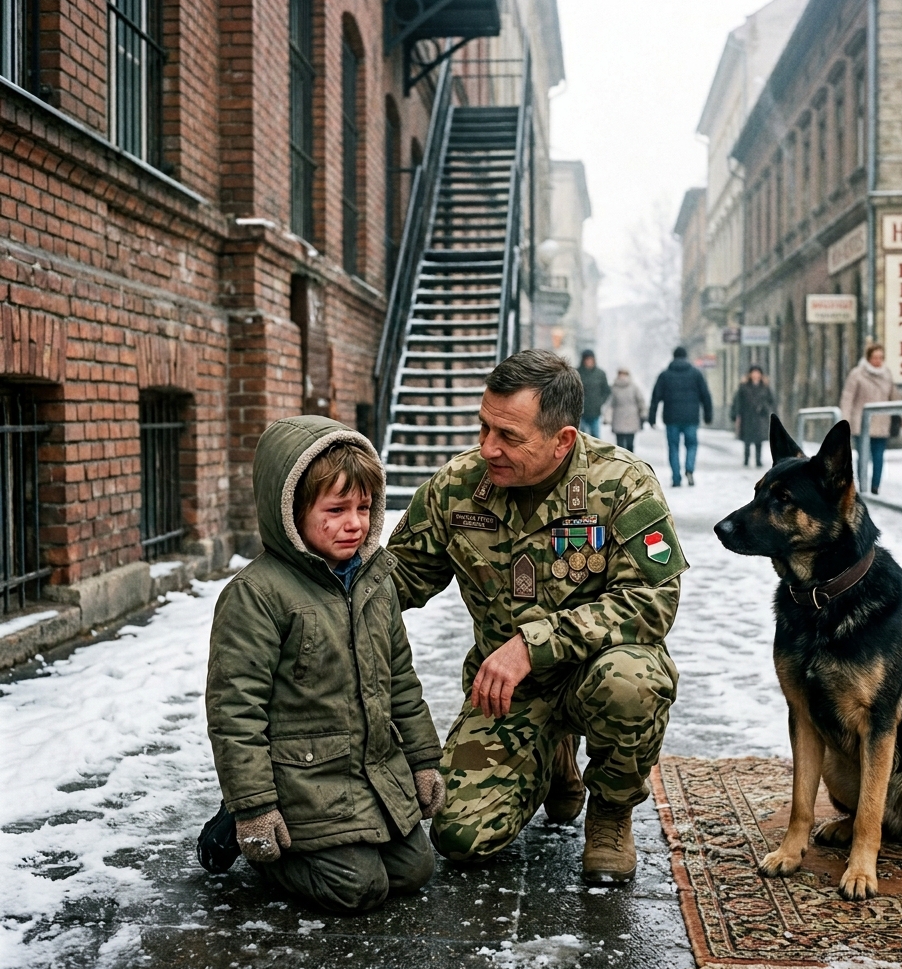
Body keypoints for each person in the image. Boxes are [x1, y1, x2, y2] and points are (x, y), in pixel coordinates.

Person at [387, 349, 684, 884]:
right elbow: (399, 579)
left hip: (596, 673)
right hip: (507, 694)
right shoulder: (457, 486)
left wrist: (533, 644)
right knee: (458, 838)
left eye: (508, 436)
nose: (487, 447)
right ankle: (553, 758)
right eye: (483, 427)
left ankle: (611, 812)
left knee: (633, 682)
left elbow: (653, 600)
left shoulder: (620, 484)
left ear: (562, 440)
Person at [201, 416, 444, 912]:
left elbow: (401, 680)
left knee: (416, 869)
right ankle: (261, 846)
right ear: (291, 510)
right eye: (335, 509)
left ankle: (345, 841)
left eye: (363, 507)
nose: (354, 523)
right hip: (302, 781)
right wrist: (254, 808)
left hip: (370, 773)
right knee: (356, 888)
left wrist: (422, 762)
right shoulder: (258, 595)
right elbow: (235, 712)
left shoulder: (376, 581)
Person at [648, 346, 713, 487]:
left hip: (671, 419)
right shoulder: (696, 374)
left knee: (673, 447)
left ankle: (676, 477)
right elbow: (705, 395)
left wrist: (651, 417)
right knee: (691, 445)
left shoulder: (665, 375)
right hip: (691, 418)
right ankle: (689, 469)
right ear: (686, 356)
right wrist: (708, 415)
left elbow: (655, 397)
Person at [840, 344, 898, 495]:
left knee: (879, 456)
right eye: (875, 357)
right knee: (863, 455)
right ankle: (863, 485)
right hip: (861, 421)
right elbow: (848, 398)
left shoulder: (887, 374)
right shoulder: (857, 374)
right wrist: (845, 420)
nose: (878, 361)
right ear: (868, 358)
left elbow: (893, 397)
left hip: (882, 421)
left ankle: (875, 486)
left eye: (880, 358)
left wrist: (900, 415)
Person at [729, 365, 776, 468]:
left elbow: (771, 401)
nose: (755, 375)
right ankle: (746, 459)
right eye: (754, 372)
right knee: (747, 439)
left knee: (759, 440)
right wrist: (735, 414)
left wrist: (766, 409)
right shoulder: (744, 387)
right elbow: (737, 401)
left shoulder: (765, 387)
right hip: (747, 416)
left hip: (760, 417)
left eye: (757, 372)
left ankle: (758, 460)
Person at [604, 368, 646, 452]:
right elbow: (610, 403)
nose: (622, 376)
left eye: (624, 374)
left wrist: (643, 414)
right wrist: (607, 417)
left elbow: (641, 401)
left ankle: (630, 461)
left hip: (631, 418)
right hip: (618, 418)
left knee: (630, 444)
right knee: (620, 445)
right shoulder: (614, 388)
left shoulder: (634, 387)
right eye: (620, 374)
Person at [577, 350, 610, 438]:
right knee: (581, 437)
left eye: (591, 359)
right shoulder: (577, 373)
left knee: (595, 437)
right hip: (580, 412)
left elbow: (606, 391)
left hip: (595, 412)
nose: (589, 362)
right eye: (587, 359)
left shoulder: (600, 374)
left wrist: (599, 402)